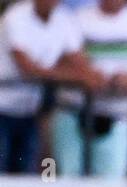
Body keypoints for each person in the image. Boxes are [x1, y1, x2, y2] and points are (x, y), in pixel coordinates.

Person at [52, 0, 127, 178]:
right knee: (68, 181)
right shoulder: (78, 18)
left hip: (116, 114)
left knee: (111, 185)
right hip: (74, 111)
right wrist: (86, 75)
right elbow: (59, 61)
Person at [0, 0, 98, 173]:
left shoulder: (64, 19)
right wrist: (76, 76)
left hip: (30, 110)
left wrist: (91, 75)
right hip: (3, 108)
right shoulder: (15, 17)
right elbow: (28, 69)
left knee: (27, 175)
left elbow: (80, 61)